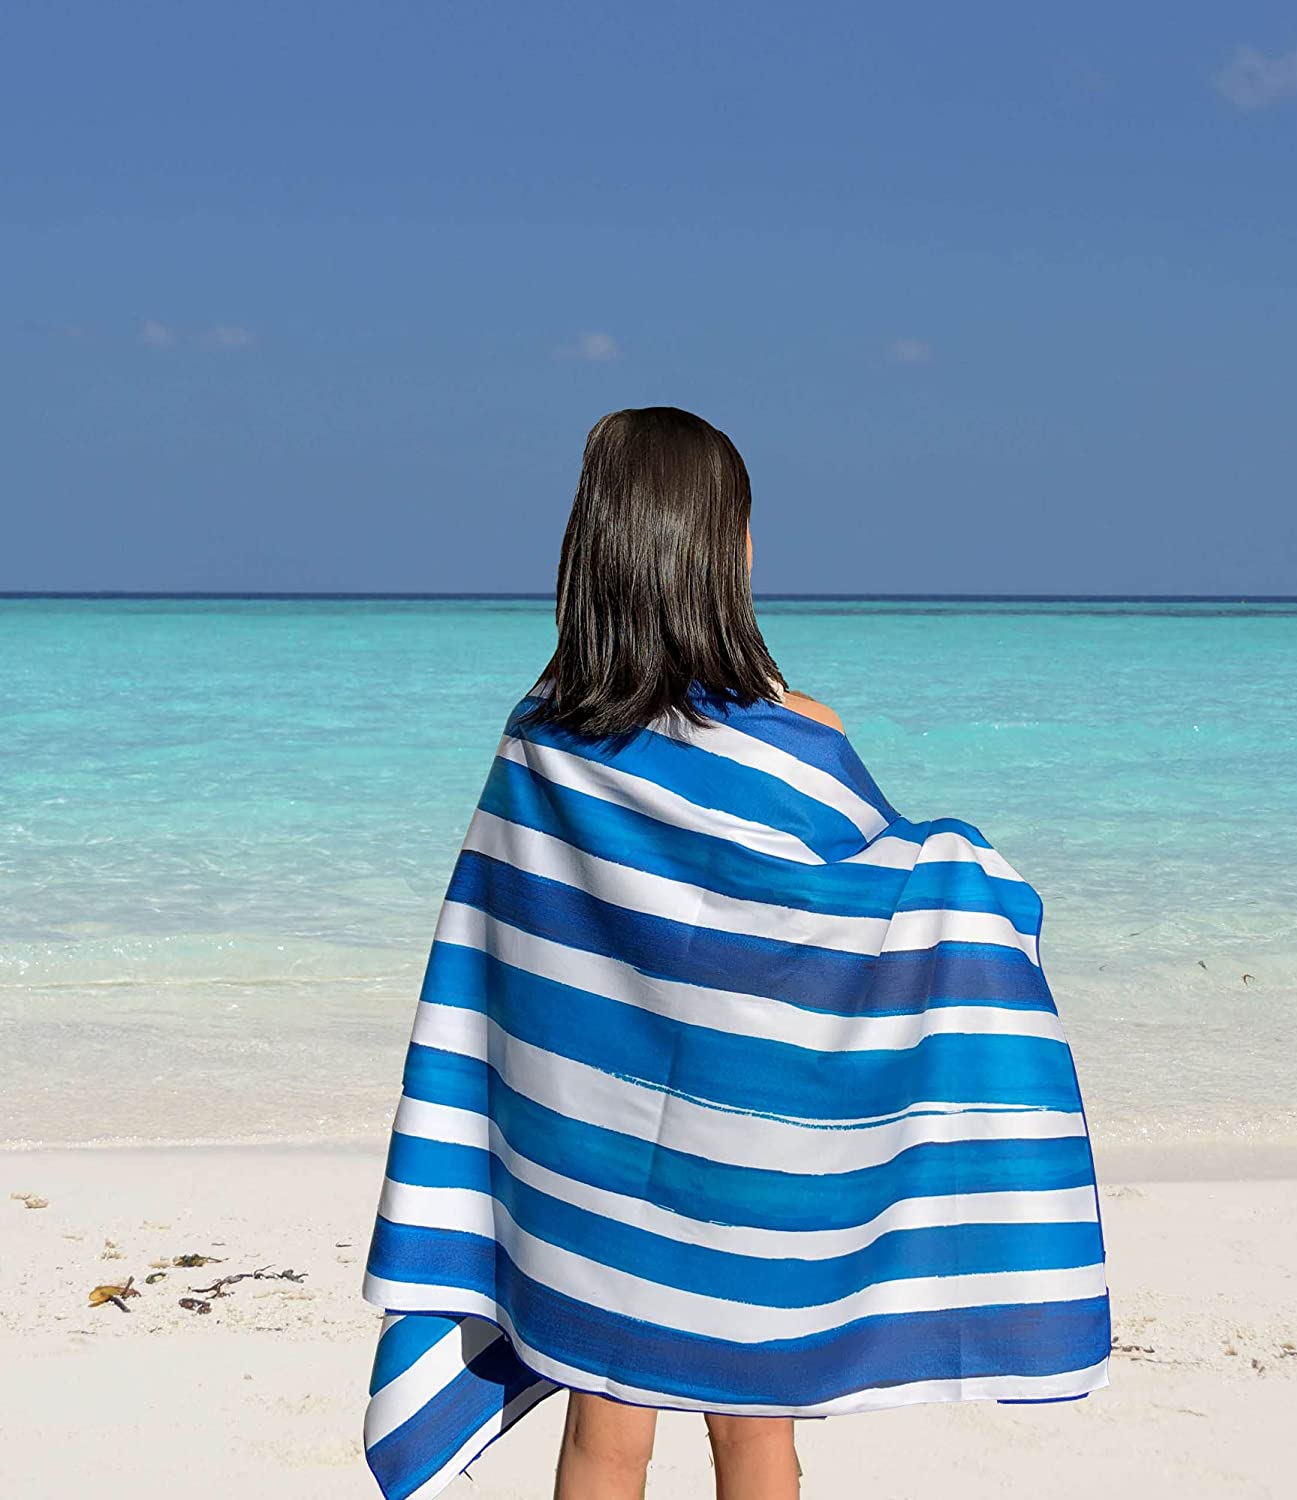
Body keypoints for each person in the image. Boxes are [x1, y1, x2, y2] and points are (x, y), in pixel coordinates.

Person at [361, 407, 1110, 1500]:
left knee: (600, 1436)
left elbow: (502, 958)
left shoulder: (543, 737)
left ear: (594, 548)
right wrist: (975, 877)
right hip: (753, 1161)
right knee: (755, 1433)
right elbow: (872, 907)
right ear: (726, 552)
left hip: (594, 1164)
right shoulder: (798, 734)